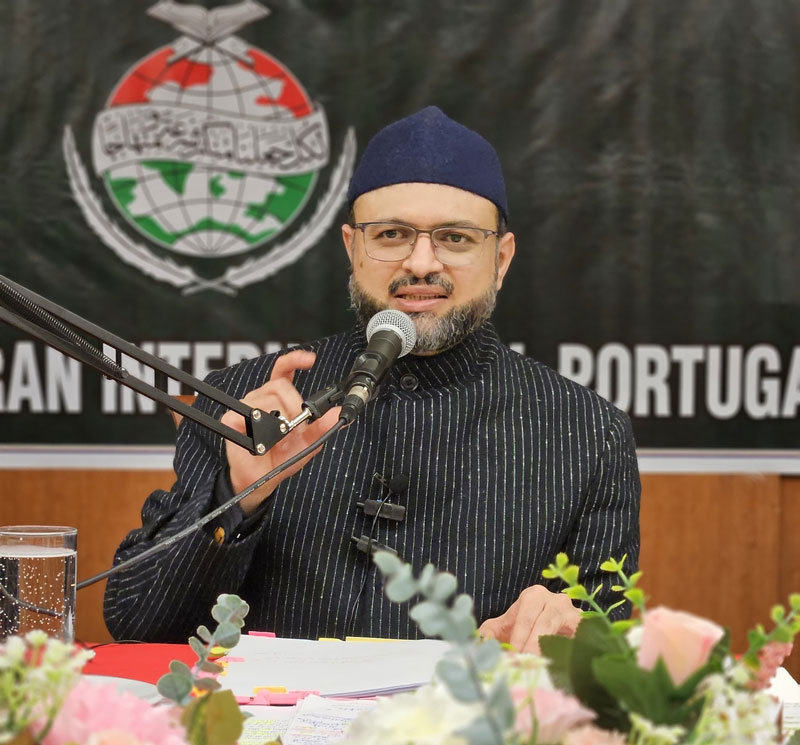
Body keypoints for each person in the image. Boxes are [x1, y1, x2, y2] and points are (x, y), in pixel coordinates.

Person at [104, 106, 640, 651]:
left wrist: (569, 630)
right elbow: (135, 625)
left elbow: (609, 667)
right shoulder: (246, 403)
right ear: (352, 248)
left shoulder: (587, 434)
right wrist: (239, 497)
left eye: (455, 238)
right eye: (391, 234)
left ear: (500, 259)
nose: (421, 263)